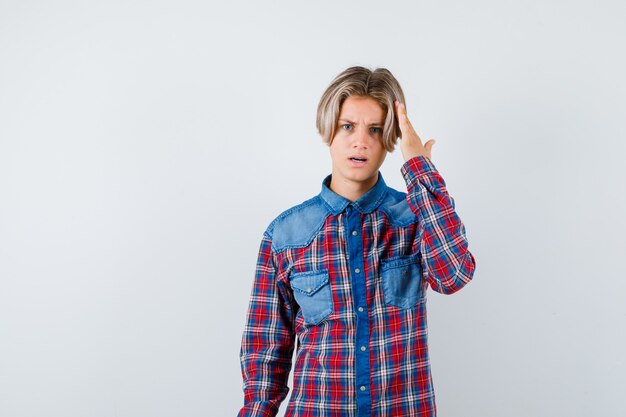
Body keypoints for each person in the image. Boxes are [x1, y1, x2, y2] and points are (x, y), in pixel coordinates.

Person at [237, 66, 477, 417]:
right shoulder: (285, 236)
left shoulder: (415, 218)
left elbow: (453, 275)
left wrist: (418, 167)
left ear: (392, 139)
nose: (360, 141)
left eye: (376, 130)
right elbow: (265, 352)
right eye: (348, 126)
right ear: (328, 129)